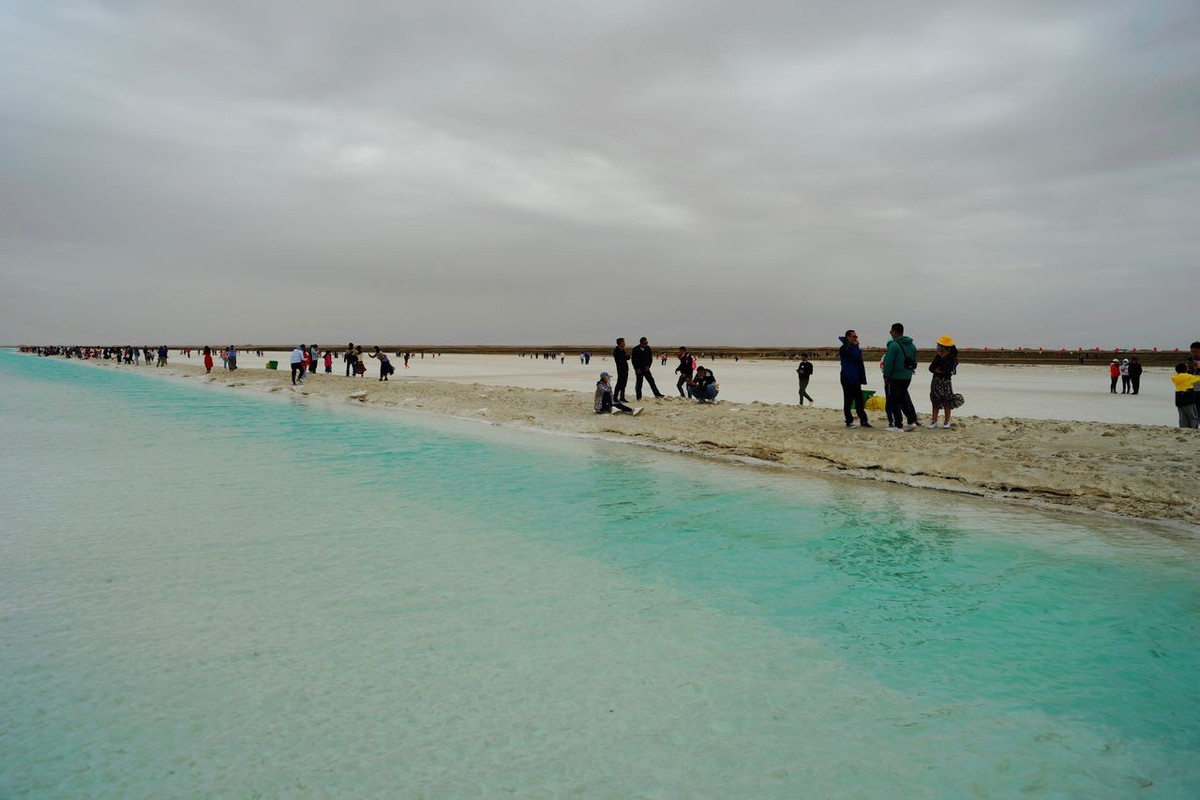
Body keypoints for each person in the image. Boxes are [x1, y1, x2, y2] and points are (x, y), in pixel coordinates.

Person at [881, 323, 919, 431]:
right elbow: (914, 361)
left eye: (891, 331)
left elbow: (888, 363)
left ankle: (898, 425)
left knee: (894, 401)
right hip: (907, 377)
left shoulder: (894, 345)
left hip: (896, 377)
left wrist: (886, 376)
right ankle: (911, 422)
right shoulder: (912, 345)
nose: (890, 333)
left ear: (895, 331)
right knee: (903, 399)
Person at [838, 330, 872, 428]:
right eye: (853, 337)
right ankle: (849, 421)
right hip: (847, 378)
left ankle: (864, 421)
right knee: (848, 400)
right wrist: (856, 347)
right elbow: (854, 356)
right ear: (848, 337)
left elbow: (859, 362)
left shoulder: (853, 347)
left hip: (855, 378)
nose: (855, 339)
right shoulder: (844, 348)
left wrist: (861, 377)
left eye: (856, 337)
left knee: (859, 400)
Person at [927, 335, 959, 429]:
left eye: (940, 345)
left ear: (945, 346)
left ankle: (946, 421)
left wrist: (937, 369)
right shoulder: (938, 356)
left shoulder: (951, 357)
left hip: (945, 382)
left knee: (946, 401)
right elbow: (931, 368)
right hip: (935, 381)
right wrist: (936, 369)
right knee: (935, 401)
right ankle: (934, 421)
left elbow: (946, 369)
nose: (938, 346)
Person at [1171, 363, 1200, 428]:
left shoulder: (1174, 377)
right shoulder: (1189, 377)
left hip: (1179, 399)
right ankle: (1193, 429)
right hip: (1188, 398)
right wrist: (1198, 369)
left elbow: (1184, 375)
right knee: (1193, 417)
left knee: (1183, 417)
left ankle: (1183, 429)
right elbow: (1198, 378)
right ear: (1185, 369)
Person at [611, 337, 631, 402]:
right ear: (620, 343)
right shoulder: (617, 350)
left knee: (624, 384)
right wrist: (626, 357)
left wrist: (627, 357)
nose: (624, 343)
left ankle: (622, 397)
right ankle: (615, 397)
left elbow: (625, 358)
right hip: (620, 369)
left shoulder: (623, 350)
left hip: (625, 368)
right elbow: (620, 359)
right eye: (623, 342)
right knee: (619, 383)